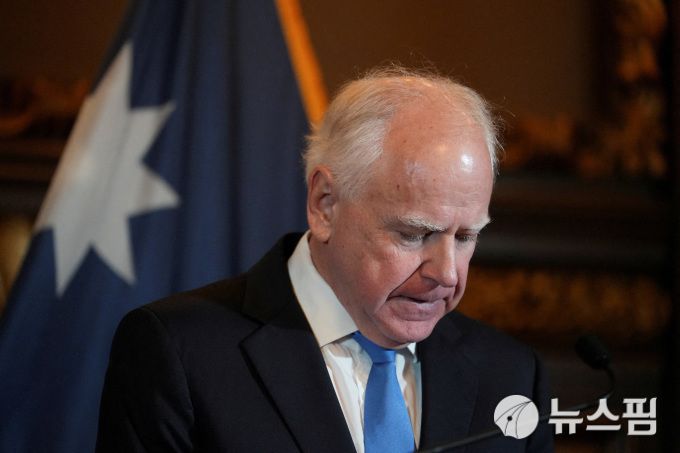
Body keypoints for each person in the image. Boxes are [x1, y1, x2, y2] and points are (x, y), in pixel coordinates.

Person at [96, 68, 553, 452]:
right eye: (415, 234)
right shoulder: (180, 354)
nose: (447, 273)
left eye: (466, 237)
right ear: (325, 204)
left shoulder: (511, 377)